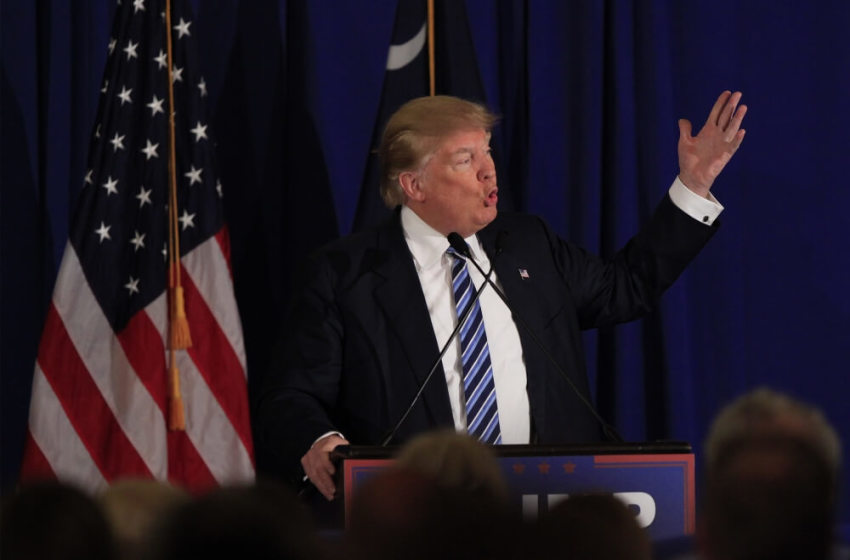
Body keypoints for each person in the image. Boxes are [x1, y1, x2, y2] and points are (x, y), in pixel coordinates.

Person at [258, 92, 747, 500]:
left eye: (487, 152)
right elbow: (293, 395)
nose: (490, 173)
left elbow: (627, 288)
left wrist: (694, 184)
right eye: (466, 160)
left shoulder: (529, 242)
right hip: (420, 515)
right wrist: (320, 440)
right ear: (414, 184)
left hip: (546, 510)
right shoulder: (345, 275)